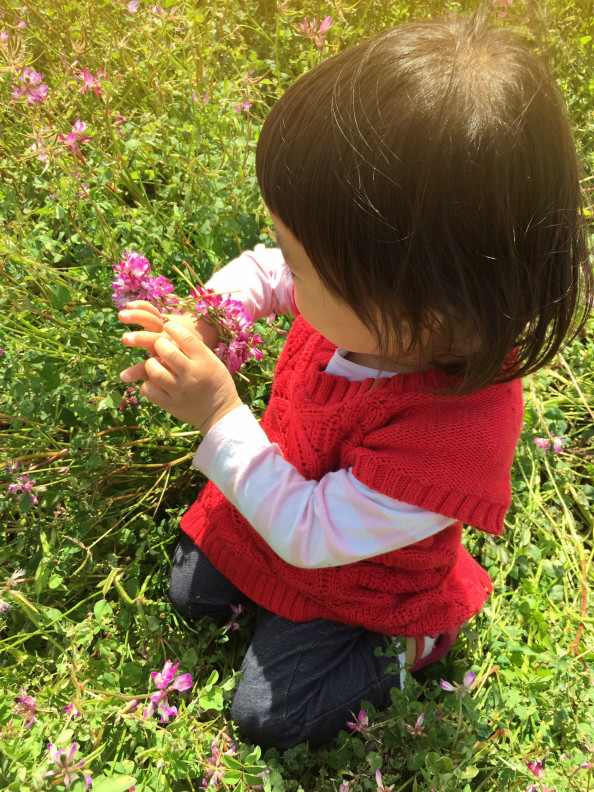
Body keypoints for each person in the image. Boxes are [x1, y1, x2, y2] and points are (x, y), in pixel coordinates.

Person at [117, 10, 592, 750]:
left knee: (268, 715)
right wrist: (213, 312)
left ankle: (418, 644)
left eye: (306, 266)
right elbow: (267, 271)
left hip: (364, 579)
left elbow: (312, 532)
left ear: (420, 309)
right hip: (294, 498)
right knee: (191, 592)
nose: (285, 270)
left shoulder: (452, 437)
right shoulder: (376, 307)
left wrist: (217, 412)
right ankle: (275, 599)